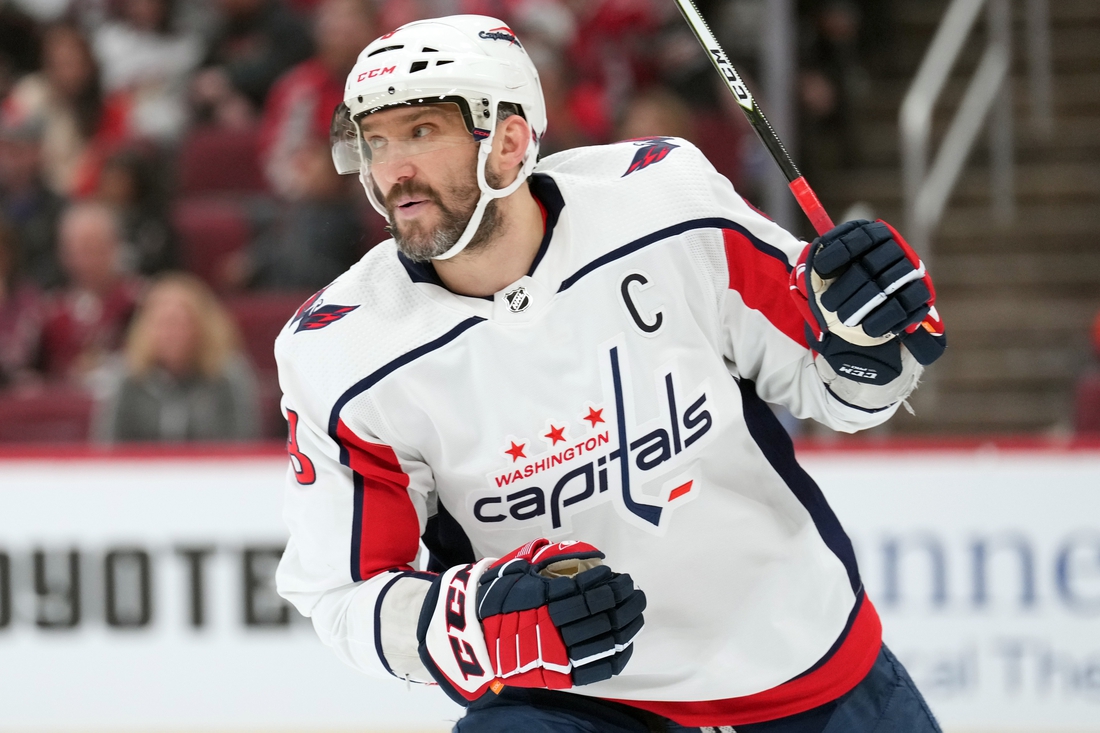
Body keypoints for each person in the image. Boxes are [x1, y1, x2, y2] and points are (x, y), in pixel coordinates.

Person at [274, 15, 947, 733]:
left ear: (507, 140)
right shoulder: (343, 352)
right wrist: (468, 623)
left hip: (805, 667)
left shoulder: (665, 204)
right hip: (577, 704)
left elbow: (841, 390)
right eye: (375, 141)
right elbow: (345, 597)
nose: (391, 169)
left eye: (420, 132)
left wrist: (870, 339)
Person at [94, 271, 259, 442]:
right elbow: (108, 448)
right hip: (142, 469)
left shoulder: (228, 377)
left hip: (214, 468)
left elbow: (244, 445)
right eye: (163, 324)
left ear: (202, 327)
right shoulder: (127, 379)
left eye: (181, 324)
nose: (171, 334)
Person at [40, 201, 141, 382]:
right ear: (64, 253)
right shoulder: (49, 312)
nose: (91, 259)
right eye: (83, 249)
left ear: (116, 247)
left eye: (98, 247)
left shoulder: (139, 301)